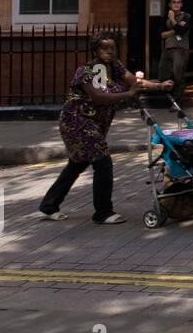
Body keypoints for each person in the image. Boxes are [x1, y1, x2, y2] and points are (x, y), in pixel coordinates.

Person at [38, 35, 170, 223]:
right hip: (77, 122)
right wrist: (128, 94)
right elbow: (99, 96)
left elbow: (135, 82)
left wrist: (159, 86)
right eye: (104, 48)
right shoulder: (88, 71)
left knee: (77, 163)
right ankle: (103, 213)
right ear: (95, 51)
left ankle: (48, 206)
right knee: (103, 162)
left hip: (94, 124)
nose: (109, 51)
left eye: (112, 48)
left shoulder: (114, 67)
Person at [157, 0, 191, 100]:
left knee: (178, 75)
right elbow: (161, 35)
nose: (176, 4)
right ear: (170, 4)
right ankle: (170, 98)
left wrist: (172, 19)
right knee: (163, 74)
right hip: (168, 48)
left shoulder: (186, 16)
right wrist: (175, 29)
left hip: (181, 49)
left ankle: (177, 101)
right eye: (174, 2)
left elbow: (182, 31)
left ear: (181, 4)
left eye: (178, 2)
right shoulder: (164, 17)